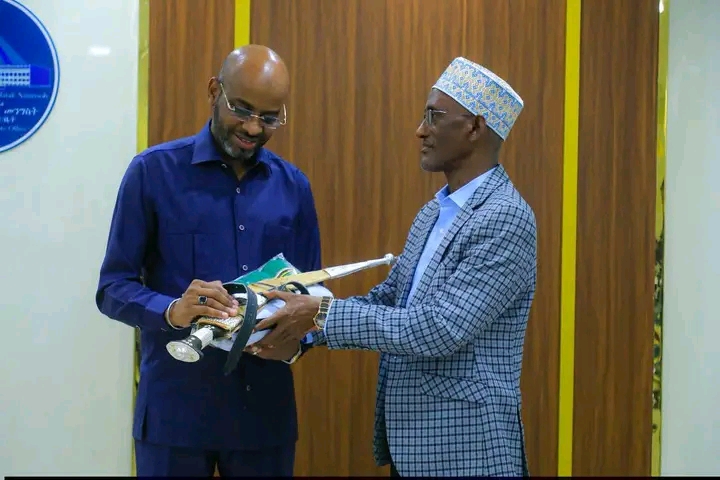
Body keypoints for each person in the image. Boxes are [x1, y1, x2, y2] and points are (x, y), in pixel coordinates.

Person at [253, 57, 536, 477]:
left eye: (434, 116)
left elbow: (441, 328)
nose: (420, 130)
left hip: (468, 450)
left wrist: (321, 314)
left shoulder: (506, 217)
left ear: (475, 128)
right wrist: (302, 329)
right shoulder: (434, 212)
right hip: (416, 447)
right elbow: (390, 299)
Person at [95, 45, 321, 477]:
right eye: (242, 109)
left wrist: (297, 343)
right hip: (175, 415)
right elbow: (111, 289)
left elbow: (309, 295)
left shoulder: (294, 188)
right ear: (214, 90)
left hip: (263, 417)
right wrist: (172, 310)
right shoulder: (152, 173)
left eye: (269, 117)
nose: (253, 127)